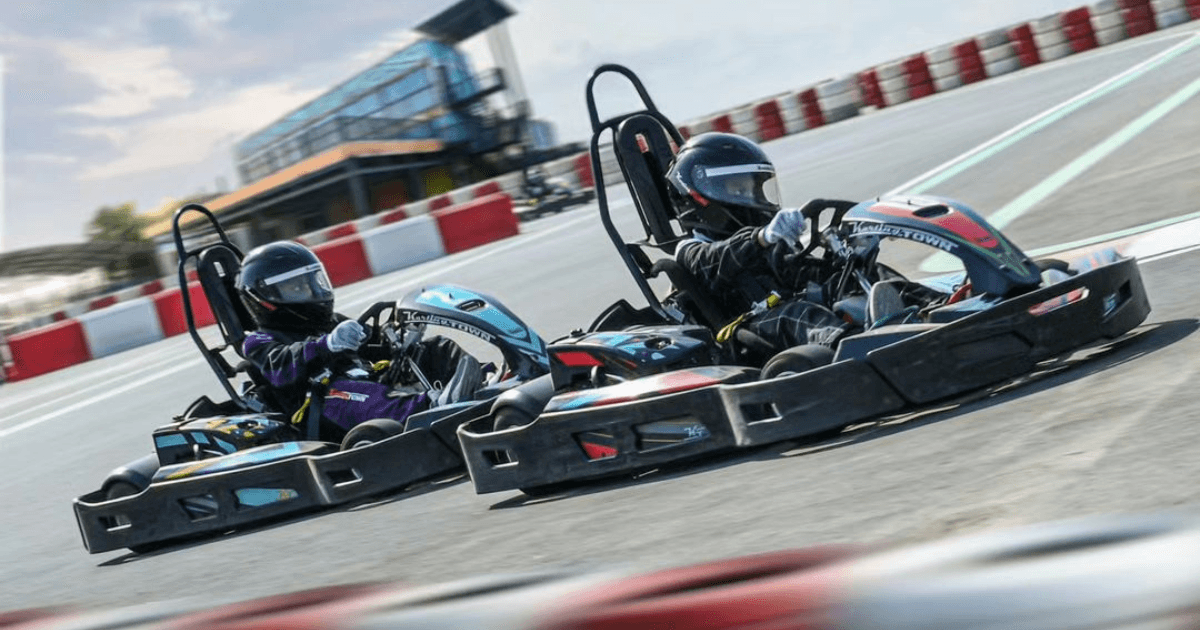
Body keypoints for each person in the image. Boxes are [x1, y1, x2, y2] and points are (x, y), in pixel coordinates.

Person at [235, 241, 479, 441]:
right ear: (264, 298)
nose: (312, 292)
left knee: (434, 349)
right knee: (353, 393)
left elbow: (374, 346)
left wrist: (400, 338)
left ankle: (483, 383)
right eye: (297, 288)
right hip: (322, 406)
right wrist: (326, 346)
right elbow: (282, 368)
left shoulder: (330, 322)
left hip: (369, 383)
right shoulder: (258, 341)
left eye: (312, 282)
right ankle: (430, 406)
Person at [664, 132, 848, 357]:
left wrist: (841, 264)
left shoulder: (767, 243)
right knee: (794, 314)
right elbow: (720, 258)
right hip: (745, 332)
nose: (751, 196)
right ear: (700, 195)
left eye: (753, 189)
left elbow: (798, 272)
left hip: (786, 311)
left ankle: (898, 311)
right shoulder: (690, 252)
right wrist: (760, 238)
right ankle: (849, 345)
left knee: (844, 279)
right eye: (738, 189)